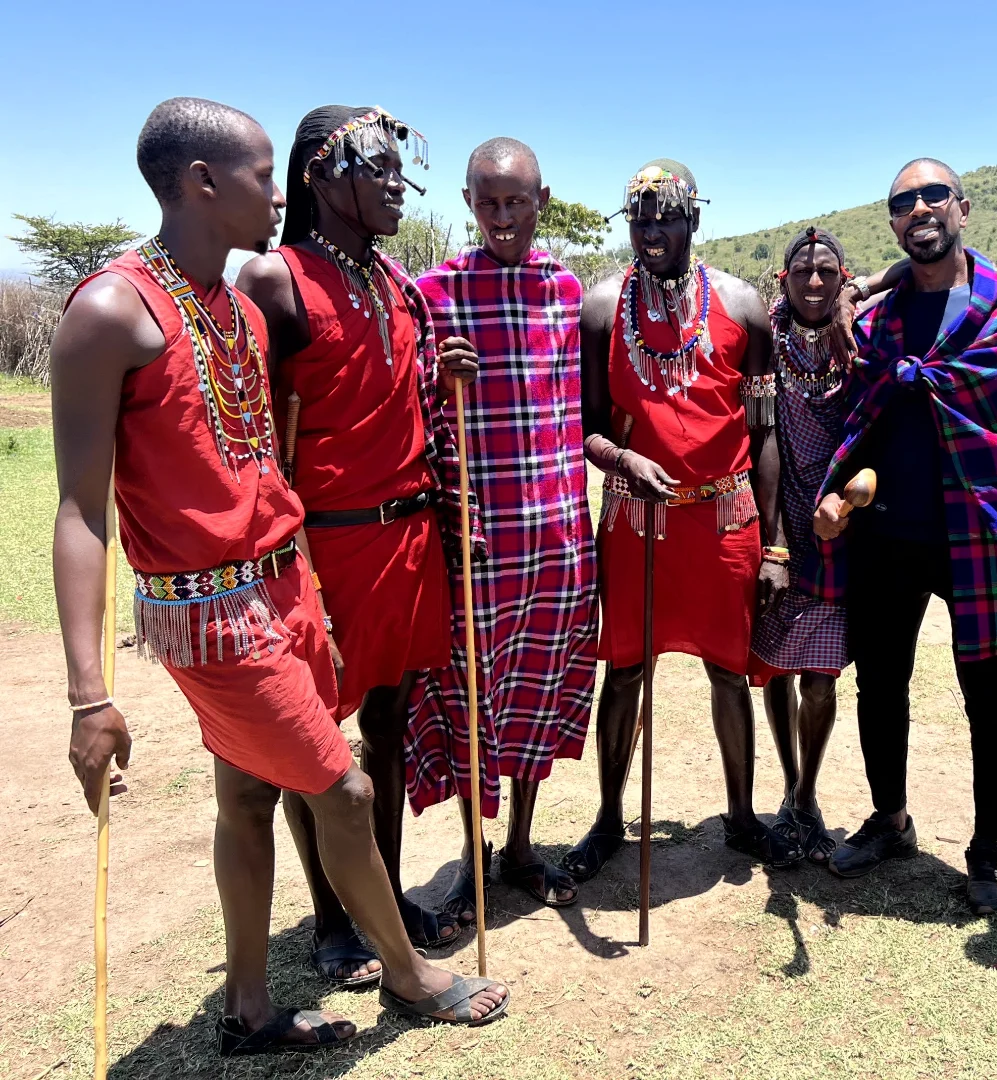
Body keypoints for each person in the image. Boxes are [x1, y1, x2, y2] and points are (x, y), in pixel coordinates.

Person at [54, 98, 507, 1056]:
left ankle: (248, 1007)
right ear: (199, 182)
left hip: (286, 583)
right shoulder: (109, 312)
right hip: (212, 613)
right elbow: (82, 511)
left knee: (249, 797)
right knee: (343, 791)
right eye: (263, 175)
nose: (277, 191)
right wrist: (89, 696)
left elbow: (272, 459)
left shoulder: (232, 310)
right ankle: (409, 975)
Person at [236, 105, 473, 983]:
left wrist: (440, 372)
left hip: (409, 540)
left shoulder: (394, 283)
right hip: (325, 551)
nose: (397, 183)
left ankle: (387, 896)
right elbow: (253, 436)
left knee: (389, 725)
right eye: (377, 165)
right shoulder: (275, 280)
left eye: (400, 166)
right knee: (316, 743)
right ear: (319, 176)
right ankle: (334, 922)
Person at [812, 158, 997, 913]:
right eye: (903, 202)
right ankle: (890, 820)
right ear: (893, 221)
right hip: (888, 534)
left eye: (933, 196)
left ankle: (986, 851)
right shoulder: (875, 324)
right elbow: (861, 424)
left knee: (988, 699)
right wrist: (839, 496)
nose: (919, 209)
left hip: (978, 540)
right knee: (879, 684)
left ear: (962, 208)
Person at [562, 160, 802, 878]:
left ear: (693, 218)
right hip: (637, 521)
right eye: (639, 219)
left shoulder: (743, 307)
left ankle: (741, 816)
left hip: (725, 522)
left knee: (728, 672)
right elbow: (587, 427)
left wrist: (775, 546)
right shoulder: (601, 308)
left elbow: (766, 433)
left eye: (665, 217)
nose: (650, 232)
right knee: (625, 670)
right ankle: (608, 818)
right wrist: (621, 460)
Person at [406, 137, 599, 914]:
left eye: (516, 201)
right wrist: (437, 375)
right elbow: (408, 407)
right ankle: (473, 852)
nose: (502, 216)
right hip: (477, 541)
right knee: (472, 697)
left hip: (556, 536)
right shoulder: (435, 292)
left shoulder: (567, 290)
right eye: (487, 202)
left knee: (536, 692)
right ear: (467, 203)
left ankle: (521, 844)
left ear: (541, 200)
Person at [749, 226, 854, 865]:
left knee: (820, 678)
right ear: (782, 279)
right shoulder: (765, 339)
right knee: (777, 666)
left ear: (845, 279)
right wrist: (776, 542)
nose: (814, 282)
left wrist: (843, 505)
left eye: (827, 272)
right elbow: (756, 435)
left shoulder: (858, 338)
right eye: (801, 271)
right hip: (777, 520)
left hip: (839, 525)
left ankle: (808, 795)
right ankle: (790, 787)